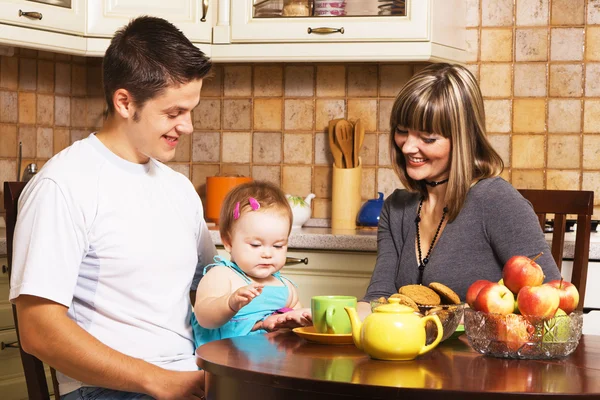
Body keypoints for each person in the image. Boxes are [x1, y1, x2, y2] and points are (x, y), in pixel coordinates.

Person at [10, 16, 217, 400]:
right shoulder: (63, 185)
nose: (187, 127)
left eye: (191, 111)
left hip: (189, 377)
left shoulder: (179, 189)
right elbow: (37, 330)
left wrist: (268, 306)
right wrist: (158, 381)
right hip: (108, 390)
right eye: (173, 113)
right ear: (124, 102)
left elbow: (211, 285)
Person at [357, 63, 561, 317]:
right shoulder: (397, 207)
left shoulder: (496, 201)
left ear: (463, 139)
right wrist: (329, 319)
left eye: (428, 138)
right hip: (411, 354)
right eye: (402, 132)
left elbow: (551, 301)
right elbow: (379, 297)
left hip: (480, 356)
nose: (408, 146)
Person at [192, 181, 312, 348]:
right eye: (256, 245)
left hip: (270, 363)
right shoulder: (222, 276)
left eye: (278, 246)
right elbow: (204, 319)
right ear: (228, 242)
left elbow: (295, 322)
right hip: (226, 361)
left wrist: (299, 319)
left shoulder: (285, 287)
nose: (268, 254)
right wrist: (229, 304)